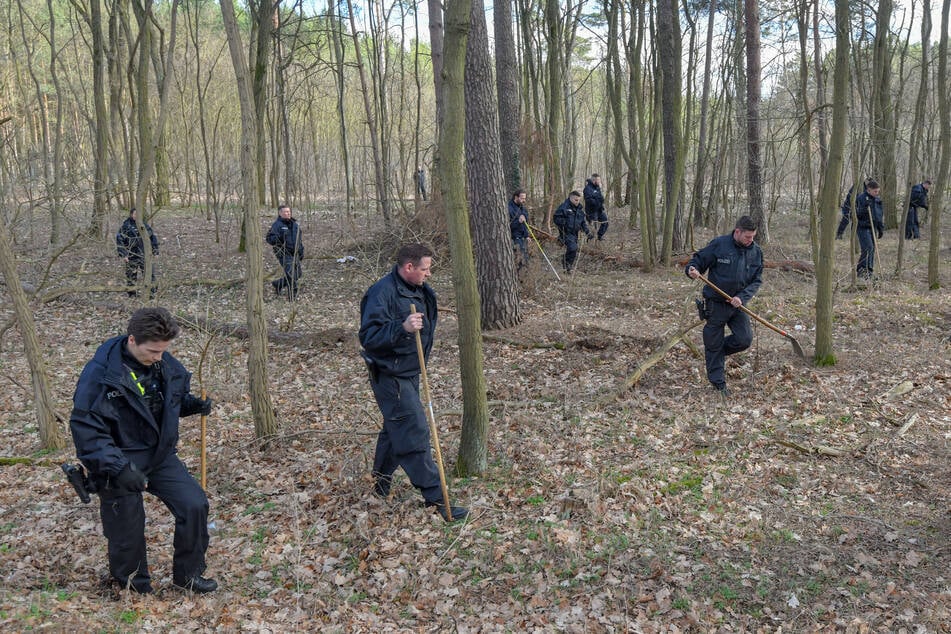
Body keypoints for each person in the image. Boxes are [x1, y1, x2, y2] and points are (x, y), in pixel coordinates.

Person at [68, 307, 216, 594]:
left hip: (159, 454)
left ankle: (189, 576)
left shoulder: (162, 362)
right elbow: (87, 430)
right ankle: (134, 588)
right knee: (127, 524)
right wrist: (119, 468)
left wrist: (190, 405)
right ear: (132, 340)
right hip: (117, 458)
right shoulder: (100, 375)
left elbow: (164, 403)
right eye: (152, 351)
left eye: (164, 350)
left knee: (194, 504)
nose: (159, 357)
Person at [359, 244, 468, 522]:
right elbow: (369, 337)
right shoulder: (381, 293)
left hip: (409, 371)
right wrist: (402, 328)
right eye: (425, 268)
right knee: (413, 431)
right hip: (390, 375)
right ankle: (437, 498)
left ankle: (379, 486)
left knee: (393, 429)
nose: (428, 274)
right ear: (409, 267)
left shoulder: (420, 290)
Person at [686, 216, 763, 396]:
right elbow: (697, 261)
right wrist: (691, 270)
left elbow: (757, 280)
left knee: (744, 339)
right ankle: (719, 384)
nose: (751, 240)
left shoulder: (756, 252)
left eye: (753, 237)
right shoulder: (719, 245)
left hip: (737, 305)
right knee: (713, 343)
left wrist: (742, 298)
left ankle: (716, 354)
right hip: (716, 303)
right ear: (737, 232)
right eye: (747, 237)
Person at [115, 208, 159, 298]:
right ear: (131, 214)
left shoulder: (145, 225)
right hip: (131, 256)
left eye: (138, 214)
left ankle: (152, 293)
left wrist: (155, 251)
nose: (137, 216)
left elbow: (153, 238)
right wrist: (124, 254)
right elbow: (120, 241)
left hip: (145, 255)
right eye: (135, 214)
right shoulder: (125, 227)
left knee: (149, 274)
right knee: (131, 276)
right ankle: (132, 294)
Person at [265, 204, 304, 300]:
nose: (288, 213)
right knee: (291, 274)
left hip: (295, 253)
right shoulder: (277, 225)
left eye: (289, 212)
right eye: (285, 212)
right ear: (280, 213)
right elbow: (269, 239)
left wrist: (301, 251)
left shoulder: (295, 225)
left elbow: (299, 240)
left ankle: (278, 284)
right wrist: (279, 238)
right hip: (283, 253)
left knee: (298, 274)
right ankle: (292, 297)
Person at [553, 190, 593, 273]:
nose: (577, 202)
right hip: (565, 233)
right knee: (573, 247)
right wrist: (565, 223)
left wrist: (587, 232)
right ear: (570, 198)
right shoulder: (564, 207)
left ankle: (568, 267)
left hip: (575, 234)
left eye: (578, 200)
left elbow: (582, 223)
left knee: (574, 250)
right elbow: (556, 218)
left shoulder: (580, 210)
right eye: (576, 200)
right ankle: (566, 264)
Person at [854, 180, 884, 278]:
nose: (877, 193)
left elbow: (879, 214)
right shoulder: (861, 198)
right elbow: (855, 214)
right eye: (875, 191)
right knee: (868, 248)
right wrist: (864, 208)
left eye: (878, 191)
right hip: (863, 227)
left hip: (873, 227)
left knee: (872, 249)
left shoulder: (877, 199)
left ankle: (869, 270)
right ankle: (861, 269)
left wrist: (880, 228)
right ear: (869, 190)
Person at [508, 189, 530, 269]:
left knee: (526, 258)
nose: (524, 200)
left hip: (523, 237)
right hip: (514, 237)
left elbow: (525, 224)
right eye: (522, 198)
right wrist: (518, 221)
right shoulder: (509, 208)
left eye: (525, 198)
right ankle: (520, 278)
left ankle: (525, 278)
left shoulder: (523, 208)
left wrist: (527, 235)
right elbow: (507, 226)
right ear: (516, 197)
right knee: (520, 259)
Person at [583, 173, 608, 240]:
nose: (600, 181)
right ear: (594, 180)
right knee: (594, 227)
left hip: (599, 210)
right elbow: (588, 200)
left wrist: (599, 199)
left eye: (600, 180)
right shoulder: (587, 189)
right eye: (598, 180)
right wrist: (597, 201)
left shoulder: (597, 188)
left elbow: (602, 198)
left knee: (605, 222)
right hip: (591, 211)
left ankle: (599, 237)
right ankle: (591, 239)